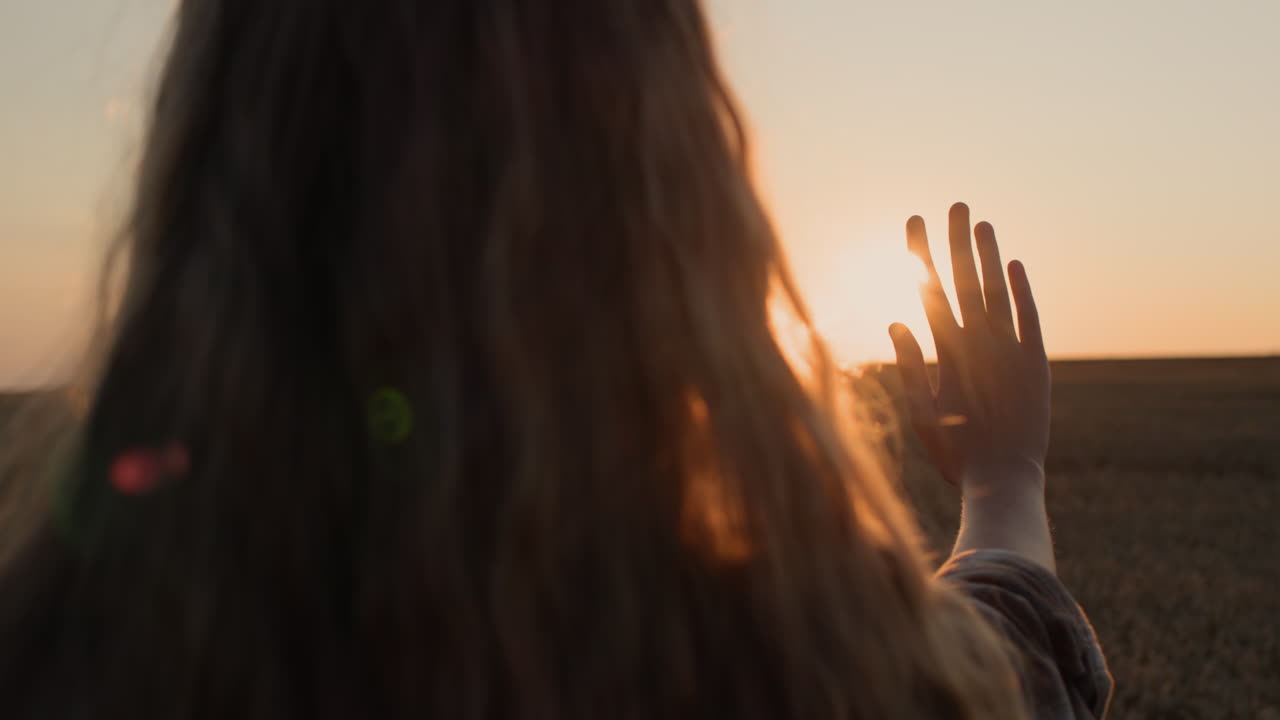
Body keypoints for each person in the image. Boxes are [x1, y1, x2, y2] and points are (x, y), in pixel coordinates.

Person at [0, 1, 1111, 718]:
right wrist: (1002, 477)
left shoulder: (66, 659)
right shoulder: (782, 673)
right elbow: (1003, 670)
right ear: (667, 193)